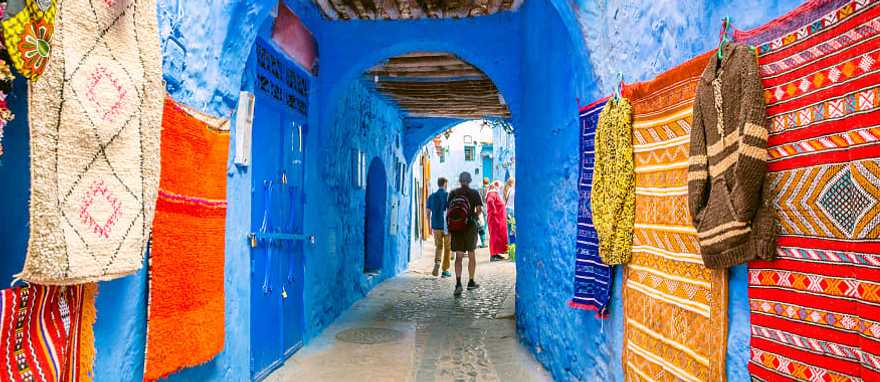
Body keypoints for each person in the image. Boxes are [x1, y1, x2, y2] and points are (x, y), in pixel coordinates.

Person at [447, 171, 483, 297]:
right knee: (471, 254)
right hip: (470, 227)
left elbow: (449, 210)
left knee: (459, 257)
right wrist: (473, 217)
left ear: (460, 181)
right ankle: (471, 281)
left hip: (457, 228)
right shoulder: (474, 193)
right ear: (470, 180)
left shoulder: (453, 193)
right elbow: (479, 210)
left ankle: (458, 283)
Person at [426, 177, 452, 277]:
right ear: (445, 184)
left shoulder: (431, 196)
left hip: (436, 225)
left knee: (439, 246)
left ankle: (437, 263)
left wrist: (429, 227)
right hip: (447, 226)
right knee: (447, 248)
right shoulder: (448, 196)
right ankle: (445, 270)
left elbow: (428, 213)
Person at [485, 181, 509, 261]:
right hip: (495, 219)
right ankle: (493, 255)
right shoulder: (492, 194)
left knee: (497, 237)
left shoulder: (494, 193)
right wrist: (494, 211)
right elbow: (490, 201)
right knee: (494, 237)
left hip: (497, 219)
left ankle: (496, 253)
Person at [477, 177, 490, 248]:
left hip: (481, 207)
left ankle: (482, 240)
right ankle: (483, 241)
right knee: (485, 224)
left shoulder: (480, 189)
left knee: (482, 224)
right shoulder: (489, 189)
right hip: (488, 206)